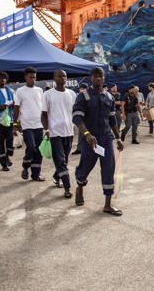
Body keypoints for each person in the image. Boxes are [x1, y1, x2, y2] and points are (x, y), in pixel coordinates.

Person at [72, 67, 124, 214]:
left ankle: (107, 205)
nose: (98, 79)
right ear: (90, 78)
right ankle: (80, 188)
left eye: (100, 76)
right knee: (85, 167)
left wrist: (118, 138)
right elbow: (77, 117)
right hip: (90, 140)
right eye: (95, 76)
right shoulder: (83, 96)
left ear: (104, 78)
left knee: (109, 169)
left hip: (106, 138)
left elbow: (112, 119)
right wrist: (87, 134)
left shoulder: (109, 97)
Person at [42, 70, 77, 198]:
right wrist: (47, 130)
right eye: (60, 76)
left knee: (65, 160)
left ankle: (56, 176)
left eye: (65, 76)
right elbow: (44, 114)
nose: (63, 78)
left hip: (69, 132)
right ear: (54, 78)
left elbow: (76, 112)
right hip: (54, 133)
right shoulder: (48, 94)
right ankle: (67, 187)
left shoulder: (72, 94)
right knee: (61, 161)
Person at [13, 67, 45, 181]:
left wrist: (47, 125)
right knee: (31, 147)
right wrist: (14, 125)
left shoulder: (40, 90)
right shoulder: (20, 91)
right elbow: (16, 109)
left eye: (34, 78)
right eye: (30, 77)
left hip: (39, 125)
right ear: (25, 77)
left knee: (39, 150)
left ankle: (36, 174)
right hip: (27, 126)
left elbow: (43, 108)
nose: (32, 80)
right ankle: (25, 167)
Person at [72, 83, 88, 155]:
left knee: (83, 133)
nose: (81, 90)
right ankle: (80, 148)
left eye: (82, 88)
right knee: (81, 134)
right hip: (81, 118)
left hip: (85, 118)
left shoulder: (86, 95)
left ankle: (81, 149)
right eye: (80, 89)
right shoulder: (81, 95)